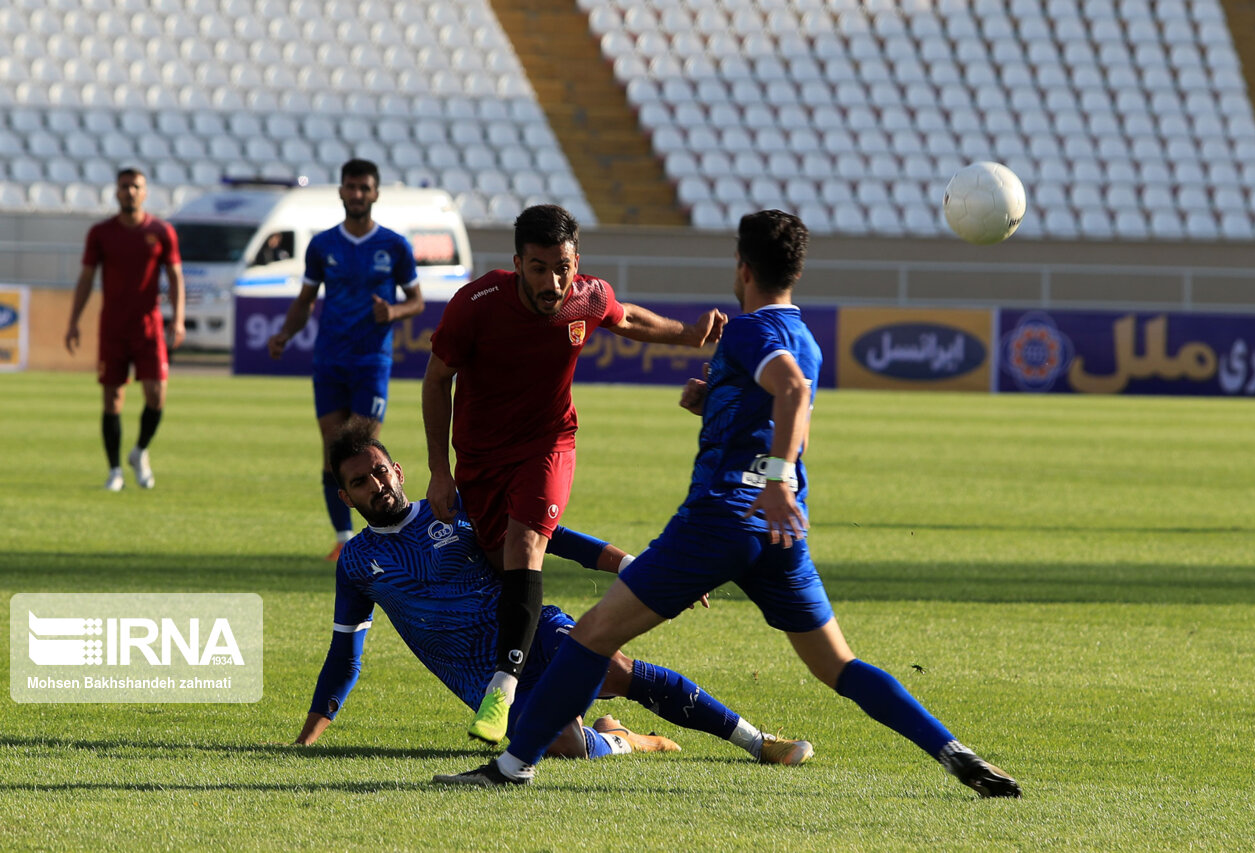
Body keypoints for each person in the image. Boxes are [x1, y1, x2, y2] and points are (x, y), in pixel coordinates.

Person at [434, 211, 1022, 798]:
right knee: (837, 666)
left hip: (723, 519)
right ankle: (954, 752)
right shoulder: (808, 340)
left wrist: (777, 479)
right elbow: (781, 404)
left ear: (742, 268)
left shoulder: (744, 330)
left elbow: (786, 391)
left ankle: (510, 766)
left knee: (591, 636)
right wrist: (713, 403)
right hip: (781, 535)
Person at [295, 428, 815, 769]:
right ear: (346, 498)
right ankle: (627, 739)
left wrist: (634, 565)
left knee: (613, 668)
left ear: (399, 470)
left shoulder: (452, 507)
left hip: (530, 633)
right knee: (564, 745)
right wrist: (306, 742)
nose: (377, 486)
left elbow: (550, 535)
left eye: (381, 472)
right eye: (360, 483)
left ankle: (758, 743)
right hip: (483, 683)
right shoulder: (358, 564)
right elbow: (346, 655)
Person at [422, 203, 727, 744]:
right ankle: (571, 668)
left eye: (562, 267)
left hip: (548, 444)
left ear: (576, 261)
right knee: (503, 562)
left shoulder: (586, 295)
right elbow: (436, 378)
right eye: (539, 268)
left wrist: (689, 335)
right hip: (481, 460)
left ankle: (504, 684)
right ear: (518, 263)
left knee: (527, 547)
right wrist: (439, 471)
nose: (553, 281)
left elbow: (628, 317)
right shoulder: (476, 305)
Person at [268, 159, 424, 561]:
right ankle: (343, 538)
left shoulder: (393, 245)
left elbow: (416, 301)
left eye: (364, 188)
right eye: (350, 187)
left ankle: (382, 533)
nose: (356, 194)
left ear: (375, 193)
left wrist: (392, 312)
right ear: (340, 191)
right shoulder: (323, 246)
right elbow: (305, 301)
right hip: (330, 359)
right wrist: (285, 333)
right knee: (333, 449)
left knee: (362, 448)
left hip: (372, 360)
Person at [65, 167, 185, 491]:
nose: (129, 191)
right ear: (116, 192)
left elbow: (175, 276)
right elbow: (87, 278)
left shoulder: (161, 231)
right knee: (112, 398)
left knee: (157, 394)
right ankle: (114, 470)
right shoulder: (101, 233)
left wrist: (178, 317)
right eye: (124, 186)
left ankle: (139, 451)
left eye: (136, 186)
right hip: (113, 327)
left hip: (148, 326)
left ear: (145, 192)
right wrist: (74, 321)